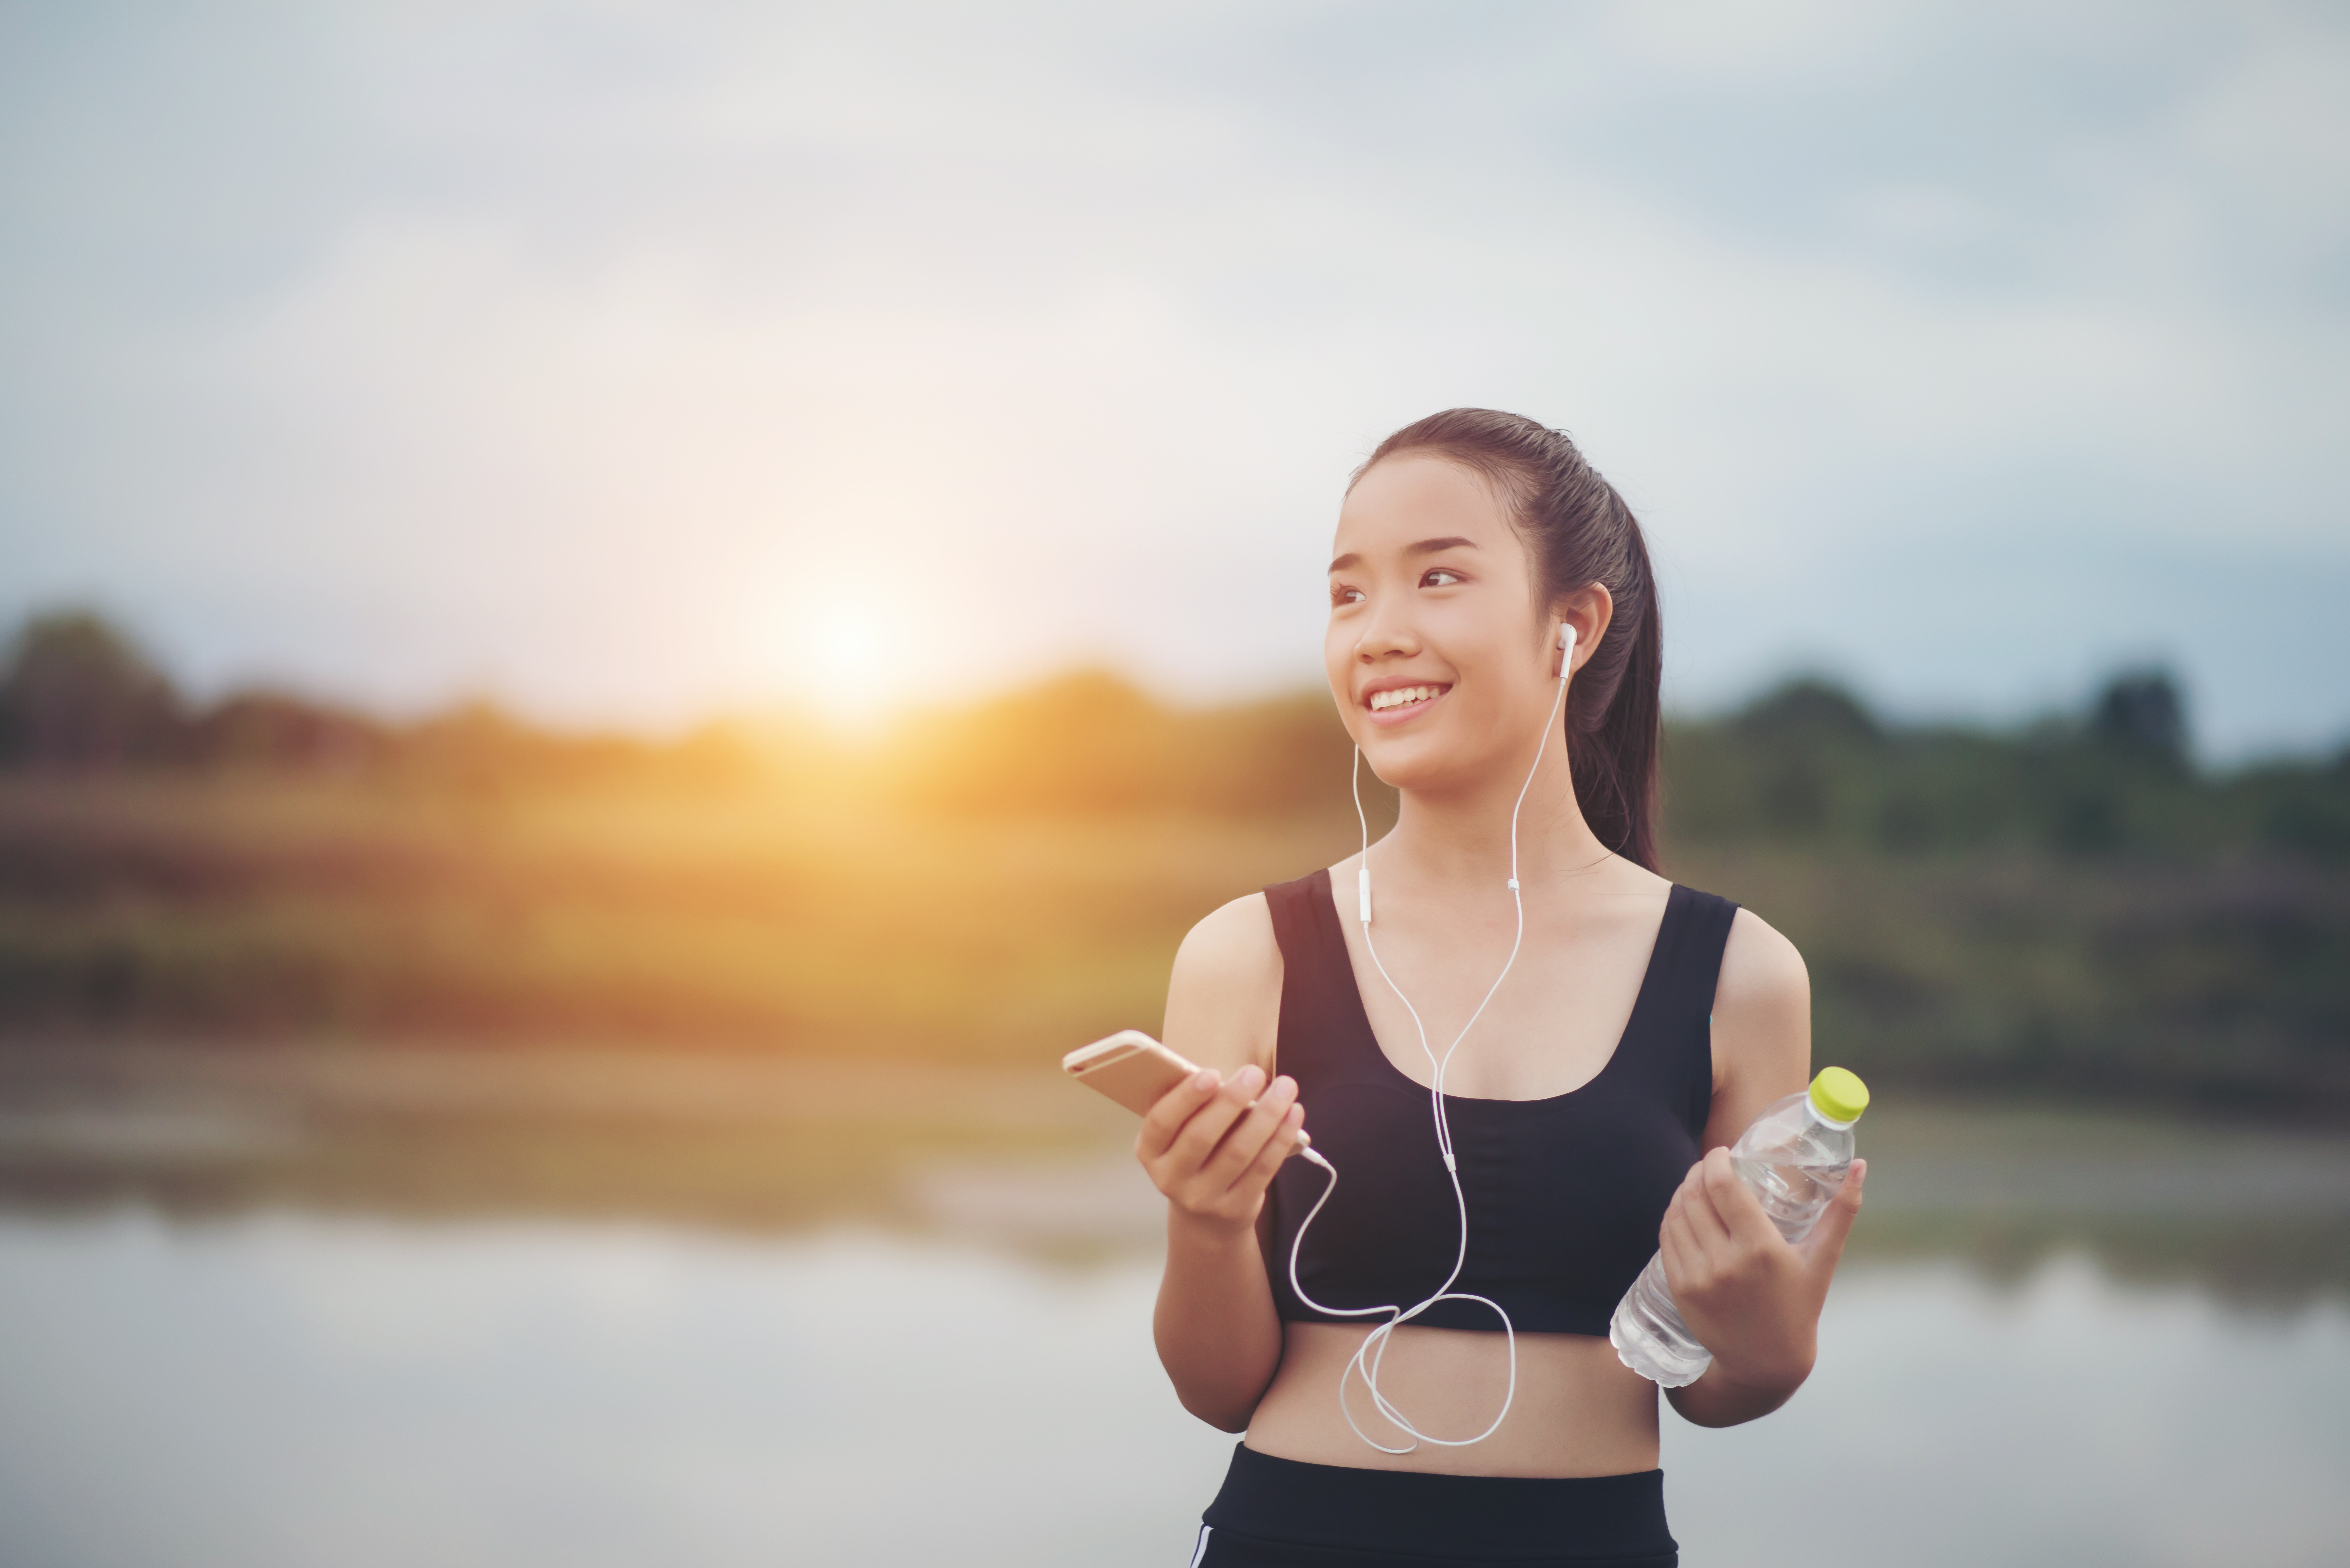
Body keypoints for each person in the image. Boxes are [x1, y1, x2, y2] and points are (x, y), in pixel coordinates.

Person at [1138, 409, 1868, 1567]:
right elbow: (1217, 1389)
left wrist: (1772, 1347)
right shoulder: (1246, 954)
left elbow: (1714, 1393)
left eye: (1437, 578)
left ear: (1571, 626)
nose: (1378, 633)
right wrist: (1206, 1216)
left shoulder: (1741, 975)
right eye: (1347, 594)